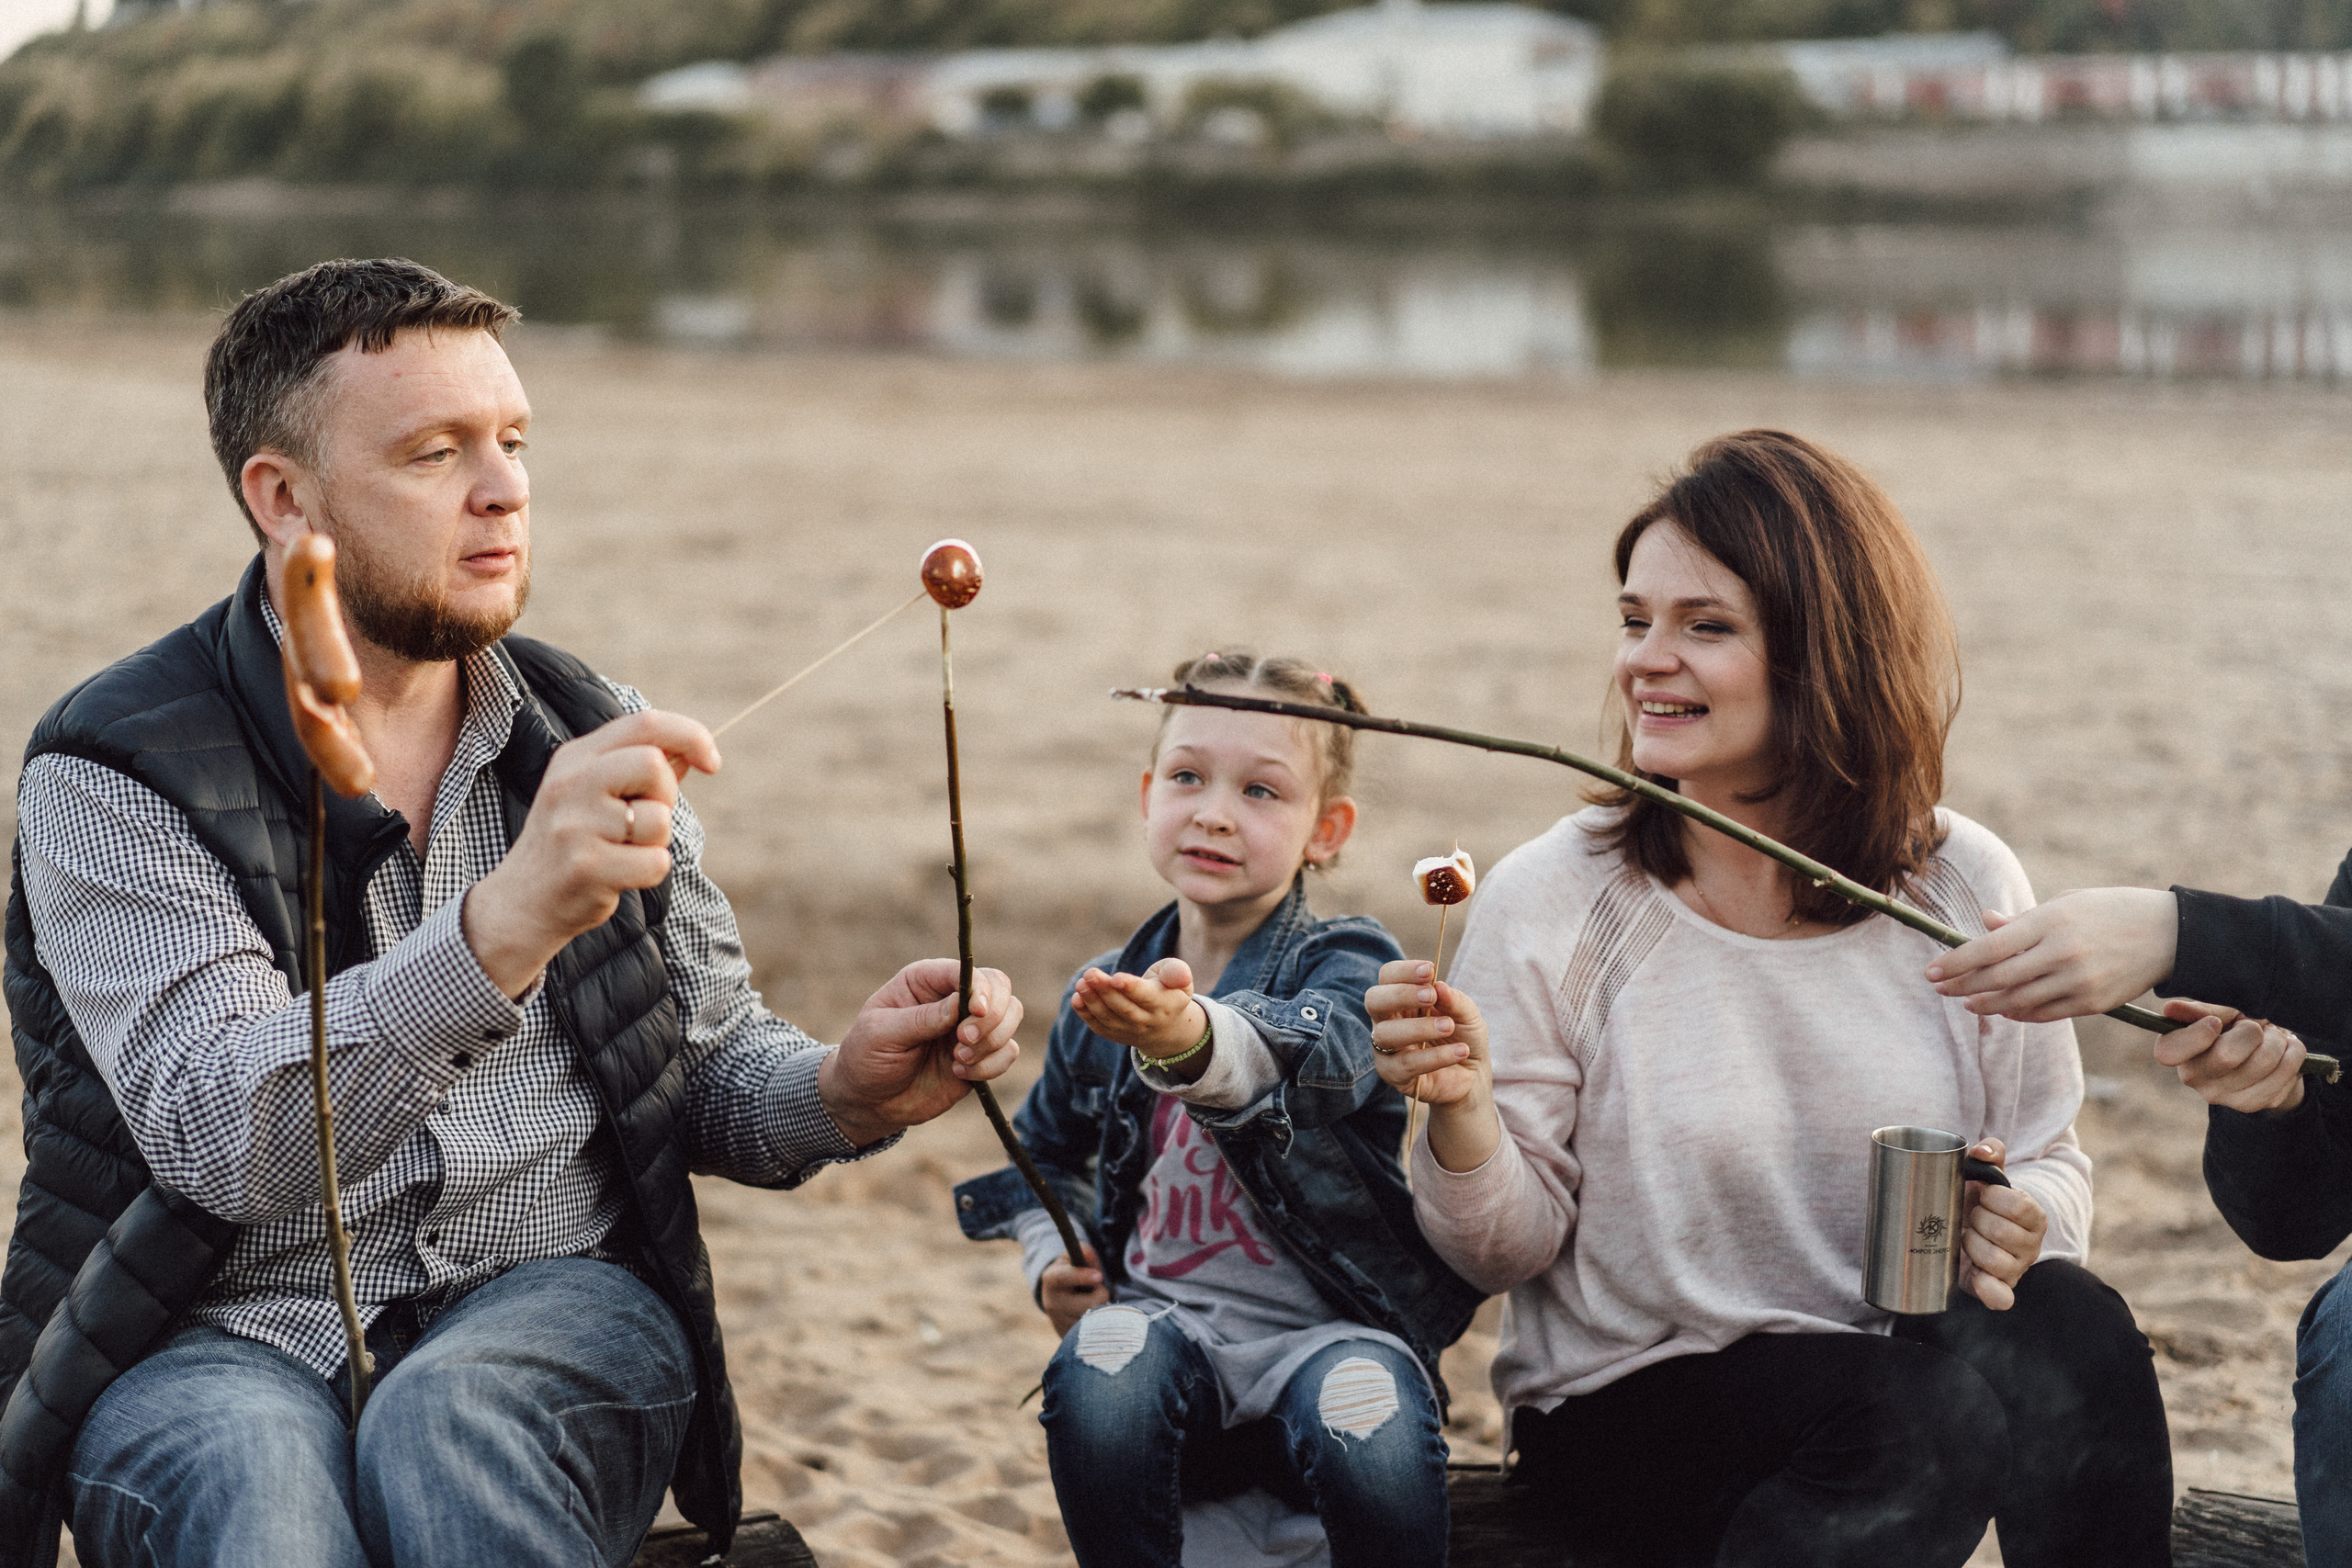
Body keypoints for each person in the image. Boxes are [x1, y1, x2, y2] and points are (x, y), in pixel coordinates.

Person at [0, 258, 1029, 1568]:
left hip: (552, 1297)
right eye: (436, 453)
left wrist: (843, 1087)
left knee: (446, 1426)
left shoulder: (584, 719)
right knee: (262, 1496)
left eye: (514, 441)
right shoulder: (115, 766)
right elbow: (225, 1135)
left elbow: (705, 1070)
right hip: (210, 1326)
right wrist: (502, 925)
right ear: (284, 498)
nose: (505, 489)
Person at [1365, 430, 2174, 1568]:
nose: (1646, 659)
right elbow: (1500, 1251)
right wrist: (1457, 1114)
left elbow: (2048, 1158)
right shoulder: (1556, 895)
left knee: (2072, 1326)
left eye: (1705, 626)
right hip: (1632, 1408)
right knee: (1916, 1421)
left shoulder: (1958, 886)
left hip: (1893, 1376)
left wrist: (2023, 1222)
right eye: (1633, 618)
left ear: (1823, 656)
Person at [953, 652, 1481, 1568]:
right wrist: (1056, 1257)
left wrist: (1189, 1038)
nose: (1213, 811)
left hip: (1324, 1335)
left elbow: (1317, 1057)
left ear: (1328, 829)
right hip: (1173, 1340)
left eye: (1262, 792)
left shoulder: (1346, 960)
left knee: (1371, 1414)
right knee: (1102, 1359)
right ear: (1148, 792)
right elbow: (1044, 1150)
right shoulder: (1109, 990)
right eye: (1188, 777)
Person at [1926, 852, 2352, 1562]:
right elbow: (2296, 1218)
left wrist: (2180, 933)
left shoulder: (1965, 870)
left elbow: (2047, 1157)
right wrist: (2276, 1104)